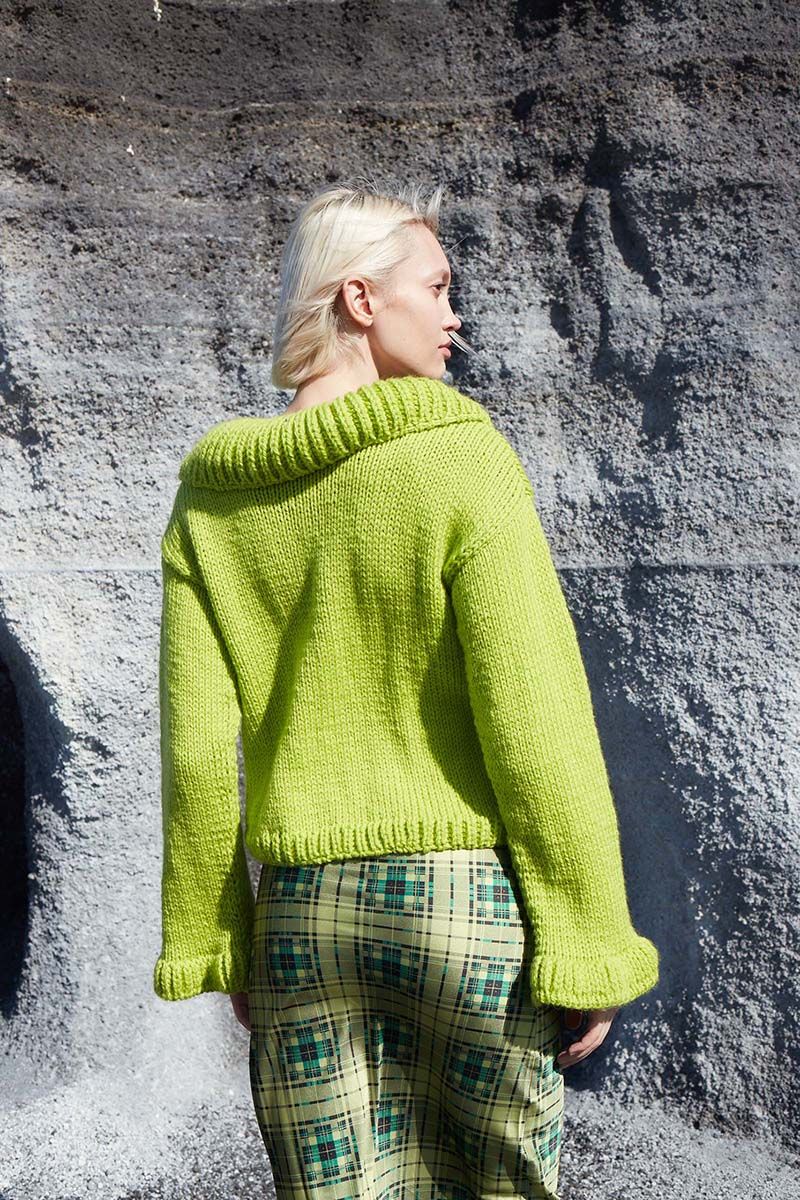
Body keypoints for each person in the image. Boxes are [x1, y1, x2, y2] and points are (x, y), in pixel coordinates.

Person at [153, 179, 660, 1200]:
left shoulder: (212, 495)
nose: (454, 314)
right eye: (436, 286)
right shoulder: (457, 455)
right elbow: (536, 721)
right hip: (458, 909)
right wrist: (588, 939)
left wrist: (224, 941)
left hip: (301, 922)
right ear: (359, 299)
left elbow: (197, 750)